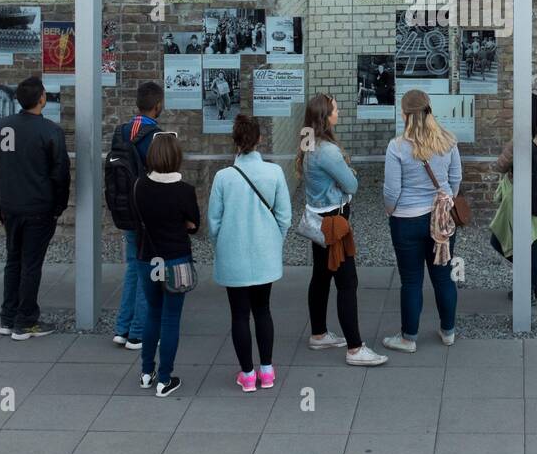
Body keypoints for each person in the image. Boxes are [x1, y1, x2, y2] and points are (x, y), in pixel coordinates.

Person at [296, 94, 388, 367]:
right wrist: (351, 173)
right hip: (335, 223)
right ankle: (355, 348)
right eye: (336, 109)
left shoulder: (307, 141)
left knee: (321, 276)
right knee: (348, 283)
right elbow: (352, 186)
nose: (340, 111)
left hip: (317, 219)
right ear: (325, 116)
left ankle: (319, 333)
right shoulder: (329, 151)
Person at [208, 113, 291, 393]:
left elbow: (213, 222)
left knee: (239, 315)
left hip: (233, 254)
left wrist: (223, 242)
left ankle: (247, 374)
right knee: (263, 310)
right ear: (259, 139)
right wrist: (273, 240)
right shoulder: (275, 172)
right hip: (264, 252)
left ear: (235, 141)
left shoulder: (223, 177)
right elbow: (285, 216)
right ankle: (267, 370)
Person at [0, 76, 71, 340]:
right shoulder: (50, 131)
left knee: (14, 260)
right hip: (38, 207)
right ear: (42, 99)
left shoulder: (1, 127)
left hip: (10, 205)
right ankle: (25, 321)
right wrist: (58, 206)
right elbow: (60, 174)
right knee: (31, 264)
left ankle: (8, 317)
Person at [382, 89, 462, 353]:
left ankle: (408, 338)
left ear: (404, 114)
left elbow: (392, 191)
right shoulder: (448, 140)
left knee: (411, 281)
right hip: (441, 221)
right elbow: (456, 178)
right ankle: (448, 331)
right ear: (430, 109)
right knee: (443, 277)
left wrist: (390, 211)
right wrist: (445, 201)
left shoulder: (397, 147)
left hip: (406, 220)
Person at [132, 132, 200, 397]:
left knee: (152, 313)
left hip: (146, 258)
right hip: (175, 259)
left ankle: (146, 372)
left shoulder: (138, 185)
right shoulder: (184, 191)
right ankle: (165, 379)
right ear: (176, 157)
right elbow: (194, 225)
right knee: (171, 319)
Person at [112, 82, 165, 351]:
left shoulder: (121, 131)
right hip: (148, 212)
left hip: (126, 208)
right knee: (149, 270)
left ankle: (122, 328)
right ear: (158, 105)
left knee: (133, 266)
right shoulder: (156, 136)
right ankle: (138, 333)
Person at [489, 94, 537, 301]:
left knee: (498, 241)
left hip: (519, 198)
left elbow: (500, 166)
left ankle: (531, 283)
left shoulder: (519, 138)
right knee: (530, 240)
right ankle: (532, 282)